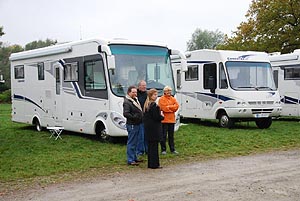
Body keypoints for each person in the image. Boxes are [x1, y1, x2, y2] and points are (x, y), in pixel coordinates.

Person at [143, 89, 164, 169]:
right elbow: (156, 117)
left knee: (151, 146)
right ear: (151, 96)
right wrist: (162, 116)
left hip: (149, 128)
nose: (156, 96)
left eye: (156, 94)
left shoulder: (147, 105)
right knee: (154, 147)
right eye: (154, 95)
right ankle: (155, 164)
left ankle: (150, 163)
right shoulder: (154, 105)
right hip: (154, 129)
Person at [123, 86, 143, 166]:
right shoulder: (127, 102)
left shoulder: (135, 100)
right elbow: (126, 113)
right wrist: (135, 117)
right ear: (129, 93)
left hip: (137, 123)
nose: (135, 94)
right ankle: (130, 159)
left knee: (136, 142)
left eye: (136, 92)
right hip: (132, 124)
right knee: (131, 142)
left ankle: (134, 158)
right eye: (133, 92)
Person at [158, 86, 179, 155]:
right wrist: (171, 108)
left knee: (171, 136)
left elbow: (177, 106)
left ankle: (172, 149)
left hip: (172, 120)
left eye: (170, 91)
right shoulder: (161, 99)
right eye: (168, 91)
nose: (169, 92)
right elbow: (163, 108)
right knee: (163, 136)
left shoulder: (173, 98)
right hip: (164, 120)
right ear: (164, 92)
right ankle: (163, 149)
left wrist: (169, 107)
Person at [137, 80, 147, 155]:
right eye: (143, 85)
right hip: (139, 118)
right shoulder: (136, 94)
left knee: (147, 135)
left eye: (145, 85)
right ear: (139, 86)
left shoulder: (147, 94)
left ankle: (147, 149)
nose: (144, 87)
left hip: (146, 117)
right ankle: (140, 151)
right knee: (140, 135)